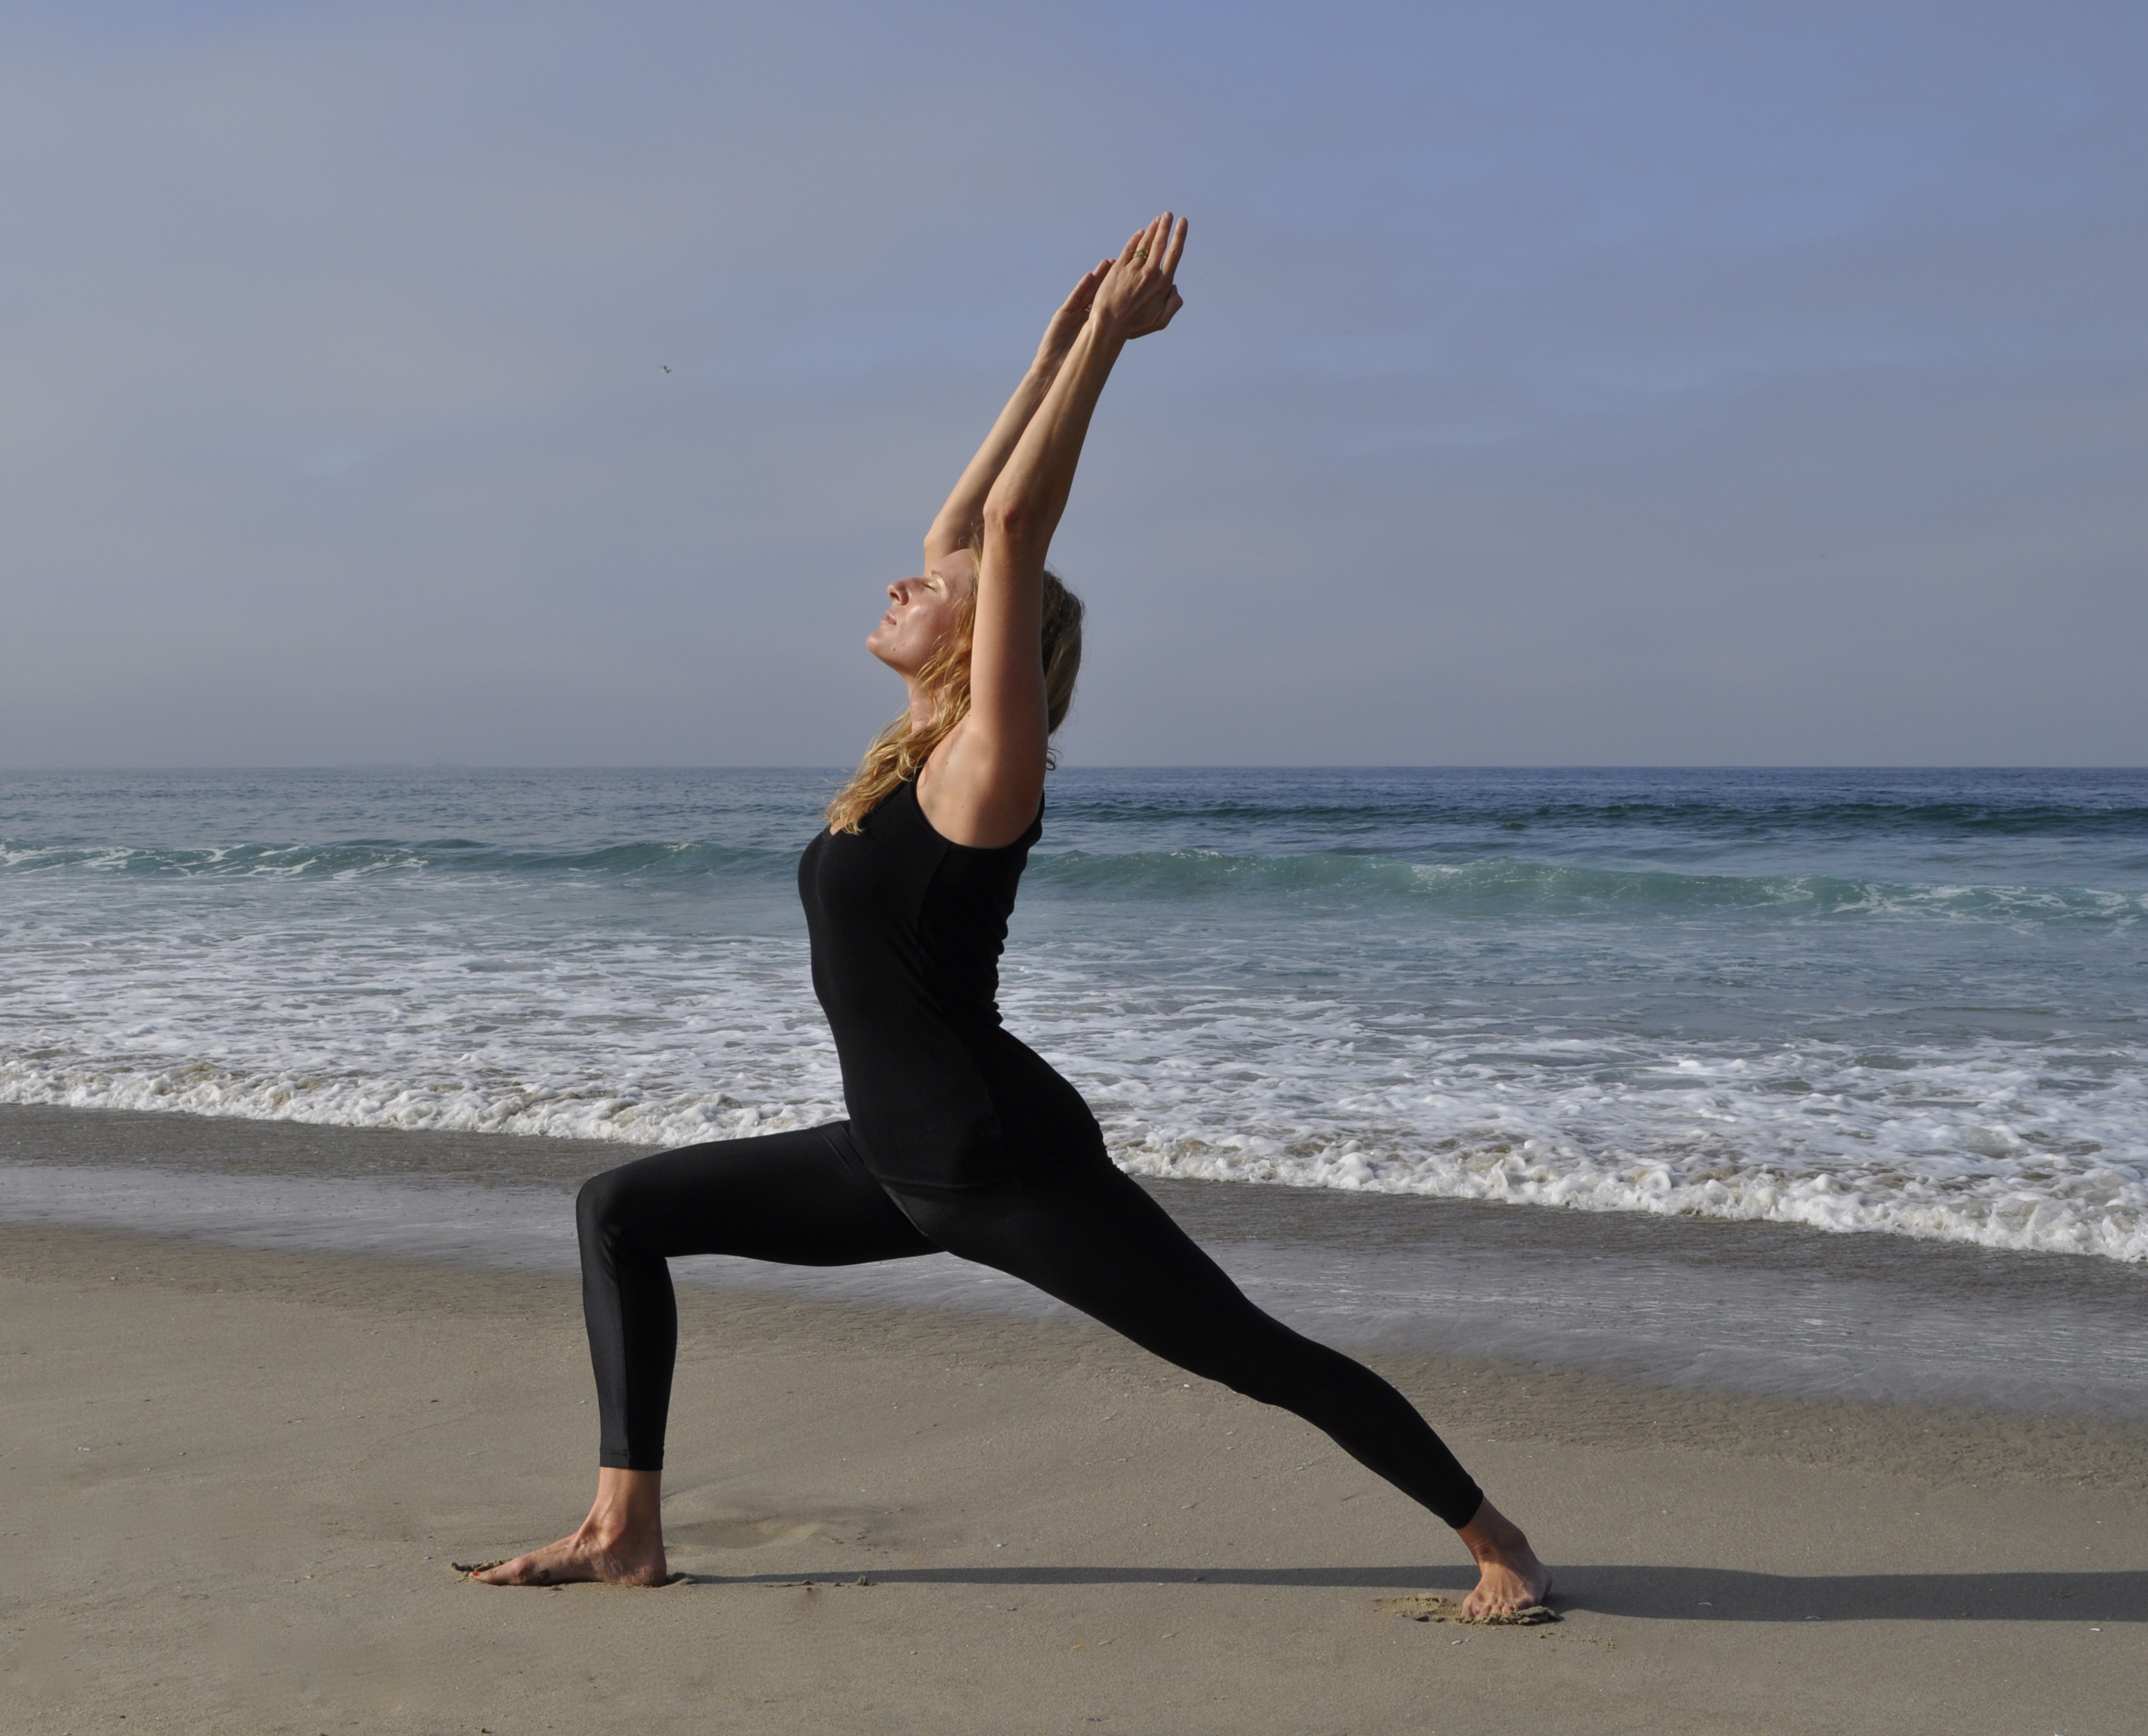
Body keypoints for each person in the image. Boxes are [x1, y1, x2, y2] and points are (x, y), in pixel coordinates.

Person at [472, 213, 1552, 1621]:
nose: (902, 580)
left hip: (1000, 1164)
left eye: (935, 591)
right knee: (619, 1208)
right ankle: (623, 1527)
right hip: (894, 1153)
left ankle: (1499, 1541)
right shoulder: (915, 752)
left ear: (991, 649)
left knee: (1247, 1349)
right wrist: (1046, 350)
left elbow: (1006, 527)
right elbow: (964, 524)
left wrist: (1106, 350)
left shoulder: (989, 770)